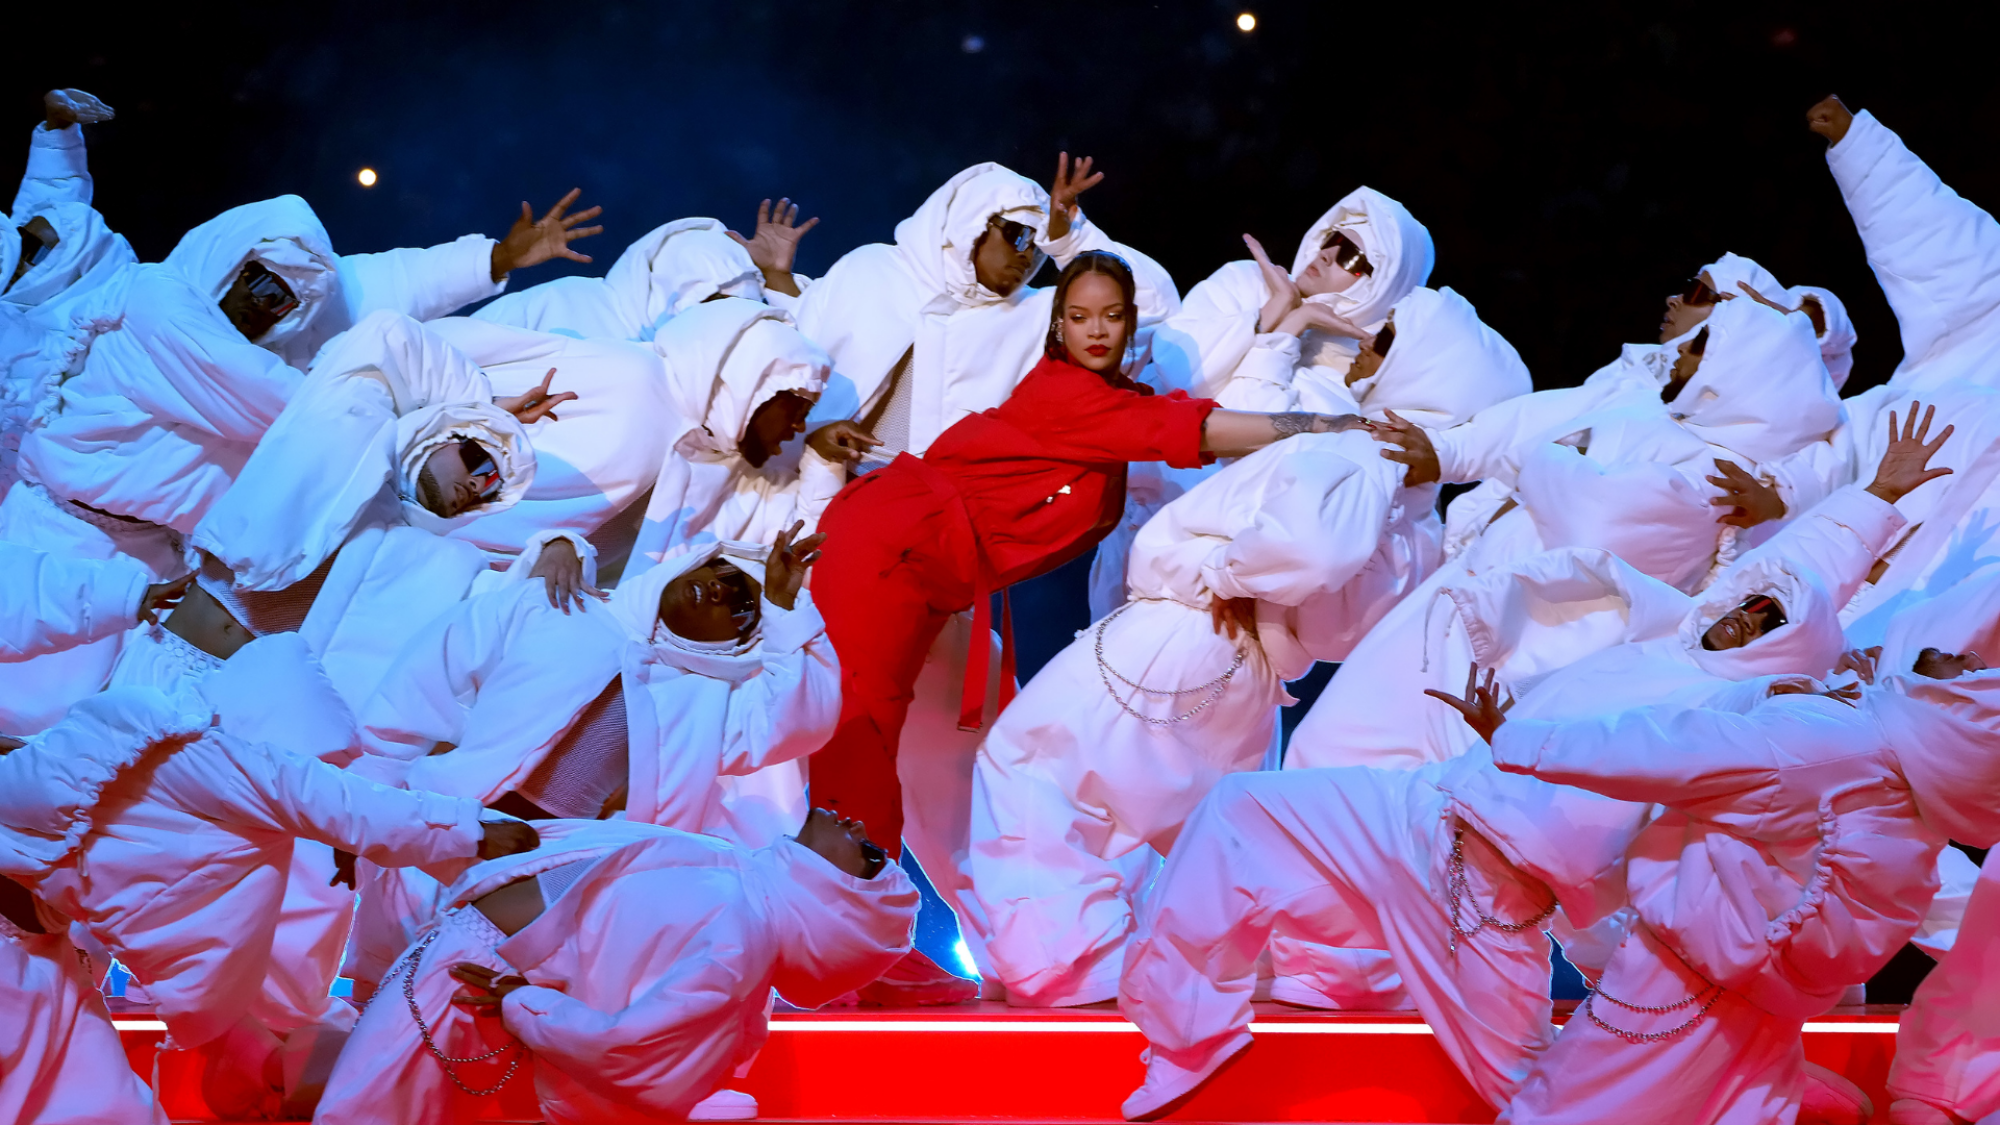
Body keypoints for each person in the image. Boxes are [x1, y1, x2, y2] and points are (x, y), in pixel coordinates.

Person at [806, 249, 1359, 994]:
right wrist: (1331, 425)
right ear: (1057, 327)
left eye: (1111, 314)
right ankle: (848, 954)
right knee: (862, 742)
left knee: (955, 769)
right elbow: (1191, 429)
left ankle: (904, 942)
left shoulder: (1109, 401)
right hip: (887, 546)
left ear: (1130, 323)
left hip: (933, 578)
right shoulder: (1070, 396)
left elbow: (1184, 419)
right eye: (1078, 315)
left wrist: (1277, 331)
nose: (1095, 329)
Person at [1287, 296, 1838, 775]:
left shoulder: (1723, 478)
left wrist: (1550, 459)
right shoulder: (1647, 407)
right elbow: (1528, 426)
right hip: (1461, 597)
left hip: (1530, 639)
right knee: (1335, 739)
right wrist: (1486, 454)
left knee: (1416, 774)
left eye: (1702, 349)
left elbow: (1594, 520)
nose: (1681, 352)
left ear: (1734, 374)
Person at [0, 633, 540, 1119]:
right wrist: (469, 829)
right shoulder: (235, 766)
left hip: (42, 935)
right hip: (39, 947)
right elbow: (346, 804)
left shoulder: (101, 742)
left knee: (81, 1082)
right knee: (81, 1088)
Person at [1475, 645, 2000, 1123]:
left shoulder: (1836, 743)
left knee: (1574, 1102)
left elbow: (1676, 750)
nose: (1969, 654)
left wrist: (1520, 737)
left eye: (1980, 674)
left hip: (1680, 978)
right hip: (1762, 995)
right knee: (1738, 1108)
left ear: (1964, 710)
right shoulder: (1914, 798)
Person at [343, 530, 835, 998]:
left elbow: (805, 717)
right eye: (721, 571)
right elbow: (413, 695)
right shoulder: (557, 606)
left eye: (744, 603)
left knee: (470, 1010)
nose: (720, 588)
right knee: (384, 981)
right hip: (446, 825)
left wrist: (785, 609)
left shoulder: (710, 705)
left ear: (743, 640)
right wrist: (361, 807)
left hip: (556, 877)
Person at [314, 810, 917, 1125]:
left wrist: (524, 1004)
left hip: (461, 989)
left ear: (843, 900)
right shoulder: (735, 874)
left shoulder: (742, 922)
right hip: (451, 968)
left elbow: (637, 1046)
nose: (857, 826)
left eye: (868, 856)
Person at [794, 155, 1180, 463]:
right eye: (1017, 234)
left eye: (1037, 242)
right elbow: (791, 358)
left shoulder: (1035, 315)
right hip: (819, 481)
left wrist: (1069, 239)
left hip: (940, 521)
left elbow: (1150, 311)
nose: (1028, 254)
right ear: (972, 221)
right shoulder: (872, 269)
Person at [473, 202, 817, 340]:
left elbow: (803, 365)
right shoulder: (565, 303)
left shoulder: (699, 376)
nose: (724, 319)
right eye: (712, 300)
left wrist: (776, 276)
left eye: (739, 309)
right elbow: (449, 354)